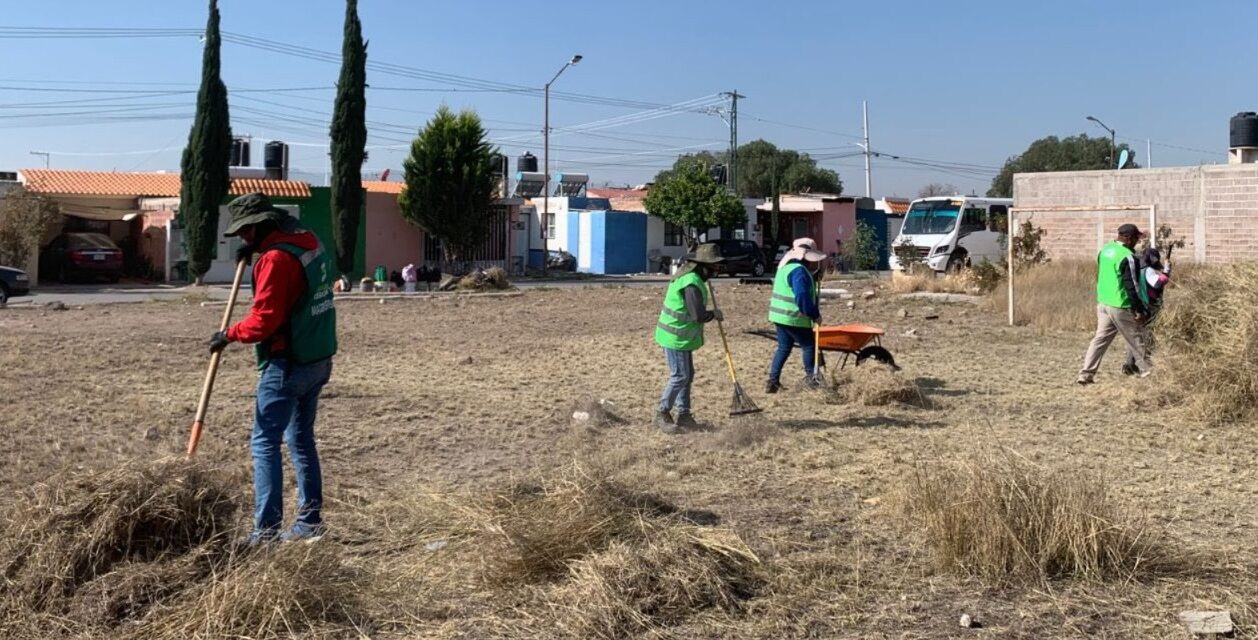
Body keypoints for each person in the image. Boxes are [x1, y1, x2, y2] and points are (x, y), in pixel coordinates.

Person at [208, 192, 338, 544]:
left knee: (265, 441)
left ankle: (265, 533)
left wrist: (228, 334)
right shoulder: (307, 239)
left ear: (262, 225)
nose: (243, 237)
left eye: (246, 231)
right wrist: (256, 251)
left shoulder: (275, 259)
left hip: (288, 363)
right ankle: (310, 523)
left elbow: (264, 322)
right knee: (300, 439)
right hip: (318, 356)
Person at [654, 243, 724, 434]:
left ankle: (684, 415)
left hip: (682, 336)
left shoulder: (693, 278)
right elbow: (698, 315)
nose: (716, 269)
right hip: (674, 336)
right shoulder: (690, 283)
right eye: (714, 266)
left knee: (687, 375)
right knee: (680, 376)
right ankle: (662, 413)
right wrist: (714, 314)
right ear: (703, 266)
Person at [1077, 224, 1151, 385]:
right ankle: (1148, 372)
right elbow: (1132, 286)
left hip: (1104, 302)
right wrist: (1138, 309)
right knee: (1136, 338)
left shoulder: (1105, 250)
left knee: (1100, 340)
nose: (1137, 242)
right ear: (1128, 238)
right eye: (1136, 238)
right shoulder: (1127, 256)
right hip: (1120, 304)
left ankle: (1085, 374)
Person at [765, 238, 827, 393]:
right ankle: (812, 379)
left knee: (783, 348)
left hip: (780, 317)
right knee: (809, 346)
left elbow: (793, 286)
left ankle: (773, 381)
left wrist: (813, 278)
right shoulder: (800, 271)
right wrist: (814, 314)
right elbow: (801, 296)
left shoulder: (785, 268)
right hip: (795, 318)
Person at [1122, 246, 1172, 375]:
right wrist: (1167, 271)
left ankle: (1130, 364)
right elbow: (1157, 284)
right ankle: (1143, 364)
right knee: (1148, 336)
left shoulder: (1138, 269)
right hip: (1148, 307)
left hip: (1139, 305)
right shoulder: (1148, 270)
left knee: (1137, 336)